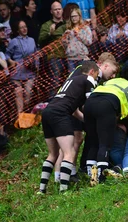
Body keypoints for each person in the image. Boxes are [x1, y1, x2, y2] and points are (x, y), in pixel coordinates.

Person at [53, 53, 119, 182]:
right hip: (67, 108)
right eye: (113, 71)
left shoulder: (87, 71)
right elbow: (82, 96)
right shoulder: (90, 73)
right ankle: (61, 175)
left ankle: (68, 172)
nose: (114, 76)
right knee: (70, 142)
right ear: (105, 65)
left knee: (77, 139)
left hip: (69, 107)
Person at [38, 60, 99, 194]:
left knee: (52, 154)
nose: (96, 80)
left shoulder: (71, 81)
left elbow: (75, 111)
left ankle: (41, 190)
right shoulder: (88, 79)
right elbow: (91, 102)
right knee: (69, 153)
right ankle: (63, 191)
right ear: (92, 72)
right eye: (96, 76)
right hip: (60, 114)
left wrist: (87, 121)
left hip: (48, 112)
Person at [84, 65, 128, 186]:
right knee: (104, 144)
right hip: (106, 105)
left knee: (93, 143)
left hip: (89, 104)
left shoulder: (110, 81)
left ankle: (91, 178)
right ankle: (101, 178)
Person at [6, 20, 37, 113]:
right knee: (18, 94)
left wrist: (36, 66)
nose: (24, 29)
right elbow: (7, 54)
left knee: (28, 94)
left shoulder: (32, 40)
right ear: (18, 30)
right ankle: (20, 118)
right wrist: (11, 61)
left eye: (25, 27)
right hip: (17, 73)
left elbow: (36, 54)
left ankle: (27, 117)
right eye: (21, 27)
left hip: (30, 72)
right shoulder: (14, 41)